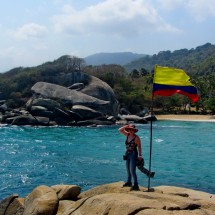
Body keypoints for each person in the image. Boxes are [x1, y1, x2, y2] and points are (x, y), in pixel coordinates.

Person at [118, 124, 142, 191]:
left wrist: (140, 155)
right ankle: (129, 182)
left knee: (132, 170)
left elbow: (139, 146)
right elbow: (119, 130)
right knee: (128, 169)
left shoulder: (136, 138)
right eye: (130, 129)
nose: (131, 131)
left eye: (133, 130)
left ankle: (136, 185)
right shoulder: (127, 135)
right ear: (129, 130)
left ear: (134, 131)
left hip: (133, 154)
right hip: (127, 154)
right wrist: (126, 126)